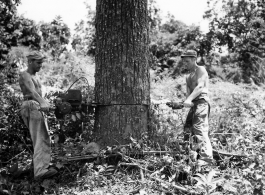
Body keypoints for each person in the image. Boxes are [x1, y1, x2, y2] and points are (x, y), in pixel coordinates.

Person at [168, 50, 213, 165]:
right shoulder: (188, 76)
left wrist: (188, 100)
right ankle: (190, 154)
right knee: (187, 129)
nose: (185, 64)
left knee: (199, 127)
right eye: (184, 62)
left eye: (187, 61)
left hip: (202, 102)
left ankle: (206, 158)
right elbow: (189, 98)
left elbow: (200, 87)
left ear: (194, 59)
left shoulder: (201, 70)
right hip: (195, 104)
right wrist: (181, 104)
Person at [19, 51, 58, 179]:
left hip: (37, 107)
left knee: (43, 137)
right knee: (40, 138)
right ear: (30, 62)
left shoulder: (36, 76)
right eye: (38, 62)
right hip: (31, 106)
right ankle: (40, 171)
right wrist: (42, 102)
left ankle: (40, 167)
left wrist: (49, 103)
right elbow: (32, 92)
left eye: (41, 62)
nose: (40, 65)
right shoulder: (25, 75)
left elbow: (39, 96)